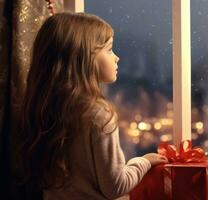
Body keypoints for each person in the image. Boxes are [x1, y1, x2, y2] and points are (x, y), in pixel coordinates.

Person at [17, 12, 168, 200]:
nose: (117, 57)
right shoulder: (99, 115)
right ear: (84, 57)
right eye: (109, 49)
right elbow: (116, 186)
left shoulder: (43, 109)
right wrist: (143, 162)